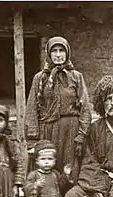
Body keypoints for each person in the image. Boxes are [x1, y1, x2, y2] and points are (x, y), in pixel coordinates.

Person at [25, 36, 91, 183]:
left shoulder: (76, 77)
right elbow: (31, 109)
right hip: (47, 131)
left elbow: (85, 108)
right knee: (46, 173)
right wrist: (32, 141)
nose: (58, 54)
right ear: (49, 54)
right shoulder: (39, 78)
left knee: (69, 174)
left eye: (62, 50)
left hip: (70, 132)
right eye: (54, 51)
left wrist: (81, 136)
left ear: (67, 53)